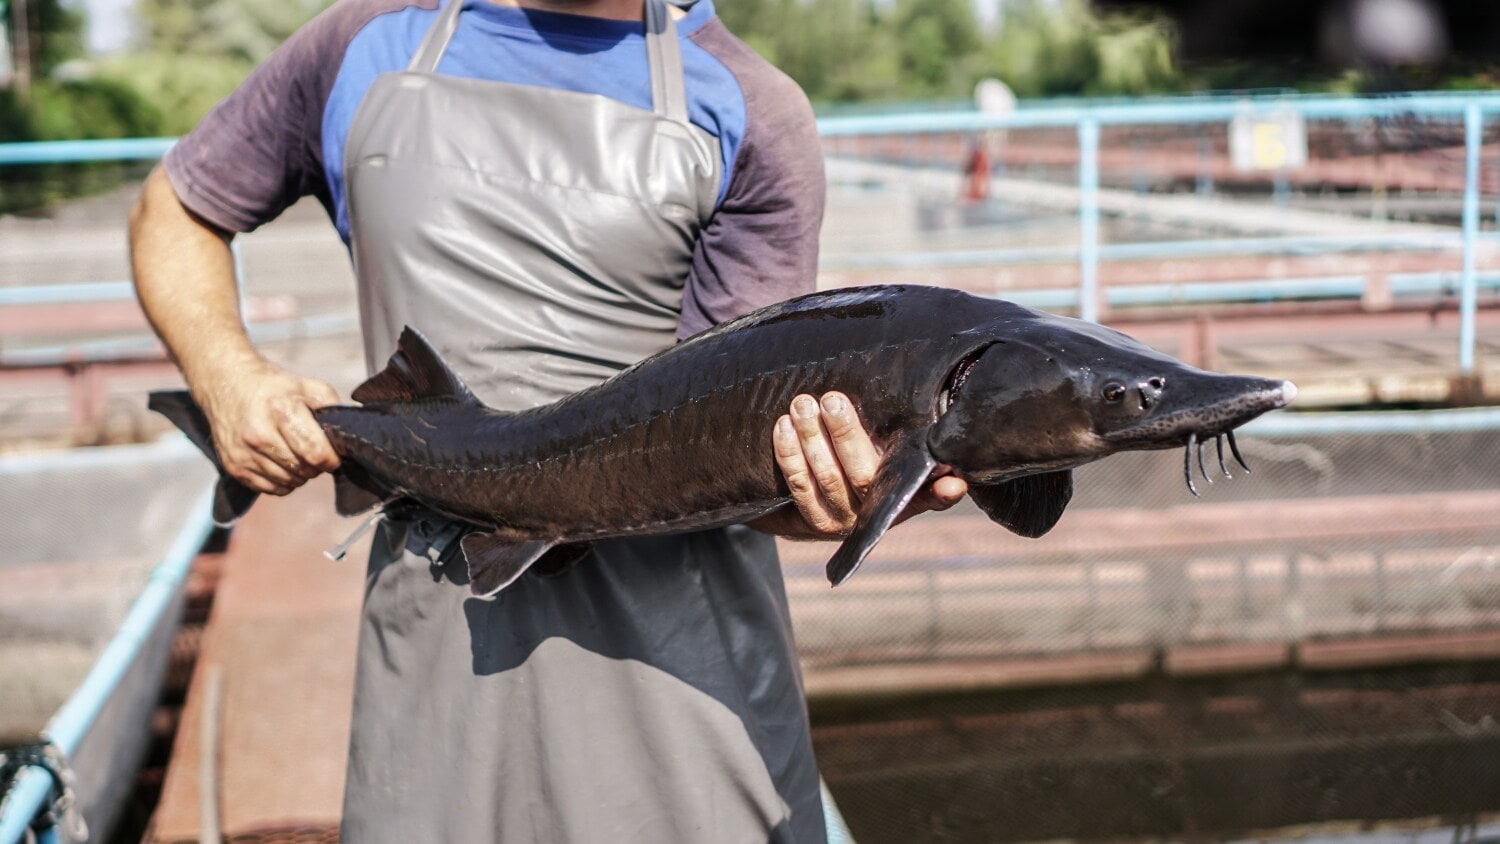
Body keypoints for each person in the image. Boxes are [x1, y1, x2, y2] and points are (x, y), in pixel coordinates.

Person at [129, 0, 967, 839]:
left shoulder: (749, 104)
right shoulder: (361, 46)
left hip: (682, 667)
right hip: (444, 627)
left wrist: (840, 492)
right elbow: (174, 210)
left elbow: (748, 457)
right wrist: (226, 373)